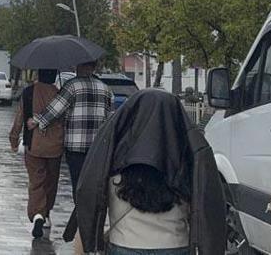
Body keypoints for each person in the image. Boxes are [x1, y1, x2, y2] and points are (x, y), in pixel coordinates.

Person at [75, 89, 226, 254]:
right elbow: (207, 213)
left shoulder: (111, 161)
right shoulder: (189, 164)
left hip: (124, 246)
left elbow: (90, 202)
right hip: (175, 246)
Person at [27, 60, 113, 196]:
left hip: (75, 146)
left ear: (79, 66)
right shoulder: (105, 88)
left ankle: (80, 213)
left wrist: (37, 120)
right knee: (93, 184)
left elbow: (56, 109)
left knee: (78, 184)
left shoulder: (72, 86)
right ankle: (92, 214)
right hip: (97, 147)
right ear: (94, 67)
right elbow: (109, 118)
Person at [9, 69, 63, 239]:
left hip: (34, 145)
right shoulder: (60, 94)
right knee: (51, 180)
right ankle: (46, 213)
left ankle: (37, 214)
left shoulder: (28, 92)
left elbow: (20, 118)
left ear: (39, 74)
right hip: (56, 146)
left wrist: (13, 138)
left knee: (36, 181)